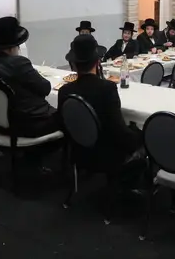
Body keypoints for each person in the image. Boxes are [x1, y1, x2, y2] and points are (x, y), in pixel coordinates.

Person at [59, 34, 144, 181]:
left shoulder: (64, 91)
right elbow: (118, 130)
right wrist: (140, 137)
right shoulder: (107, 89)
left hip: (78, 151)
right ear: (98, 62)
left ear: (73, 64)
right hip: (106, 154)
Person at [0, 17, 59, 138]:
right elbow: (45, 88)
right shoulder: (19, 64)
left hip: (1, 126)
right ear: (13, 47)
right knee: (69, 116)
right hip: (30, 123)